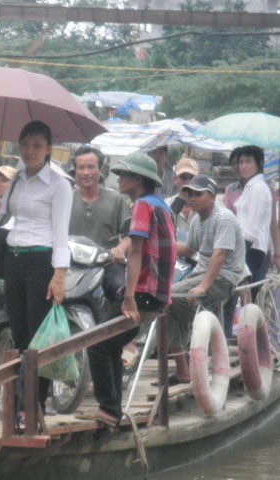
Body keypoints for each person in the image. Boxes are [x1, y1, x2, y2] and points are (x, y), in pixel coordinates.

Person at [78, 151, 176, 428]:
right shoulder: (161, 205)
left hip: (144, 292)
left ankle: (109, 409)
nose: (119, 179)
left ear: (138, 179)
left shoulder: (143, 206)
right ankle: (112, 410)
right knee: (109, 344)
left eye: (124, 175)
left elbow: (136, 252)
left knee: (96, 343)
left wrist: (129, 297)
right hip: (158, 293)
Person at [0, 120, 72, 413]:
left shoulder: (59, 185)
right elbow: (1, 218)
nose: (30, 151)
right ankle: (23, 399)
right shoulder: (17, 179)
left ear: (49, 149)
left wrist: (59, 275)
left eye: (37, 145)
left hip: (42, 261)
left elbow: (61, 232)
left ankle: (37, 399)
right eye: (25, 144)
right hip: (13, 259)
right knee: (19, 330)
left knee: (40, 334)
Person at [165, 175, 245, 385]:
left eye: (198, 194)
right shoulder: (195, 218)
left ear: (211, 196)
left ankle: (199, 337)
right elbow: (189, 248)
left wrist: (202, 287)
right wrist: (163, 247)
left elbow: (219, 255)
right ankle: (183, 369)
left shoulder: (224, 218)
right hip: (201, 274)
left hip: (223, 278)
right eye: (189, 193)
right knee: (166, 303)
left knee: (170, 299)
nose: (192, 198)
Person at [69, 145, 131, 302]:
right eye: (81, 167)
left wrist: (119, 249)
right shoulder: (65, 199)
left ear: (100, 170)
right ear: (75, 171)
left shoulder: (117, 200)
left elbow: (130, 235)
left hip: (106, 263)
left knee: (119, 289)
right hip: (70, 264)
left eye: (91, 167)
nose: (86, 172)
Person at [223, 145, 279, 297]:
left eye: (248, 162)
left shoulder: (258, 188)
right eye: (240, 162)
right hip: (246, 249)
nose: (243, 166)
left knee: (246, 299)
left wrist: (235, 255)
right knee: (242, 298)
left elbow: (251, 231)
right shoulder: (250, 187)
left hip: (252, 251)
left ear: (259, 163)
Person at [165, 157, 199, 240]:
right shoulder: (166, 205)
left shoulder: (207, 205)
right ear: (175, 179)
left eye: (192, 178)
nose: (188, 182)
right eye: (183, 177)